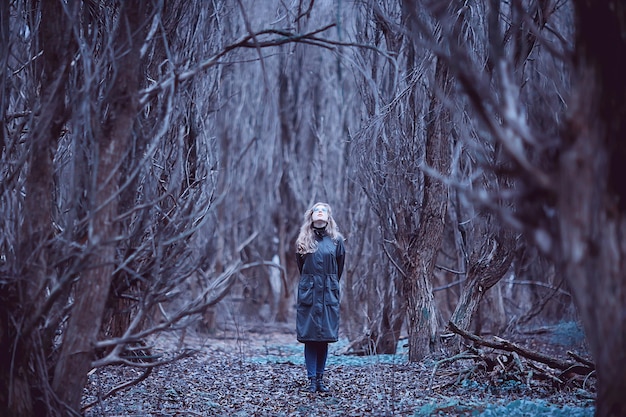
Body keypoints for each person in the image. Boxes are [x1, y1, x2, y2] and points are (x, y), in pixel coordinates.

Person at [295, 202, 345, 393]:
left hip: (328, 294)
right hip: (309, 294)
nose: (320, 212)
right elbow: (301, 267)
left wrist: (329, 284)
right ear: (312, 215)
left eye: (324, 210)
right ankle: (311, 380)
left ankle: (321, 379)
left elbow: (339, 267)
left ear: (328, 216)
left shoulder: (336, 240)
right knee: (310, 337)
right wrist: (312, 284)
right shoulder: (303, 240)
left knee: (323, 338)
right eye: (317, 210)